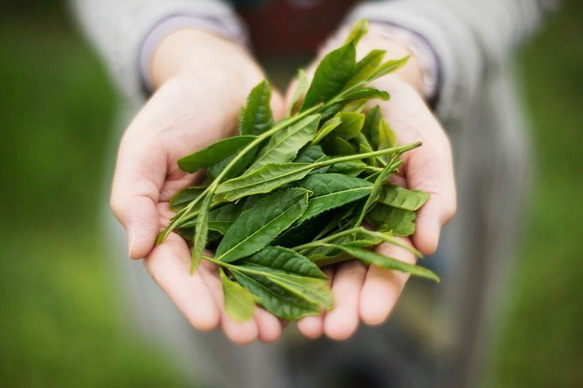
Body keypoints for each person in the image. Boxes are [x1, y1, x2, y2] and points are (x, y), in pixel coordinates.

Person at [70, 0, 557, 387]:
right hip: (199, 123)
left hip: (438, 102)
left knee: (426, 364)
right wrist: (182, 44)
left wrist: (410, 48)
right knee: (230, 366)